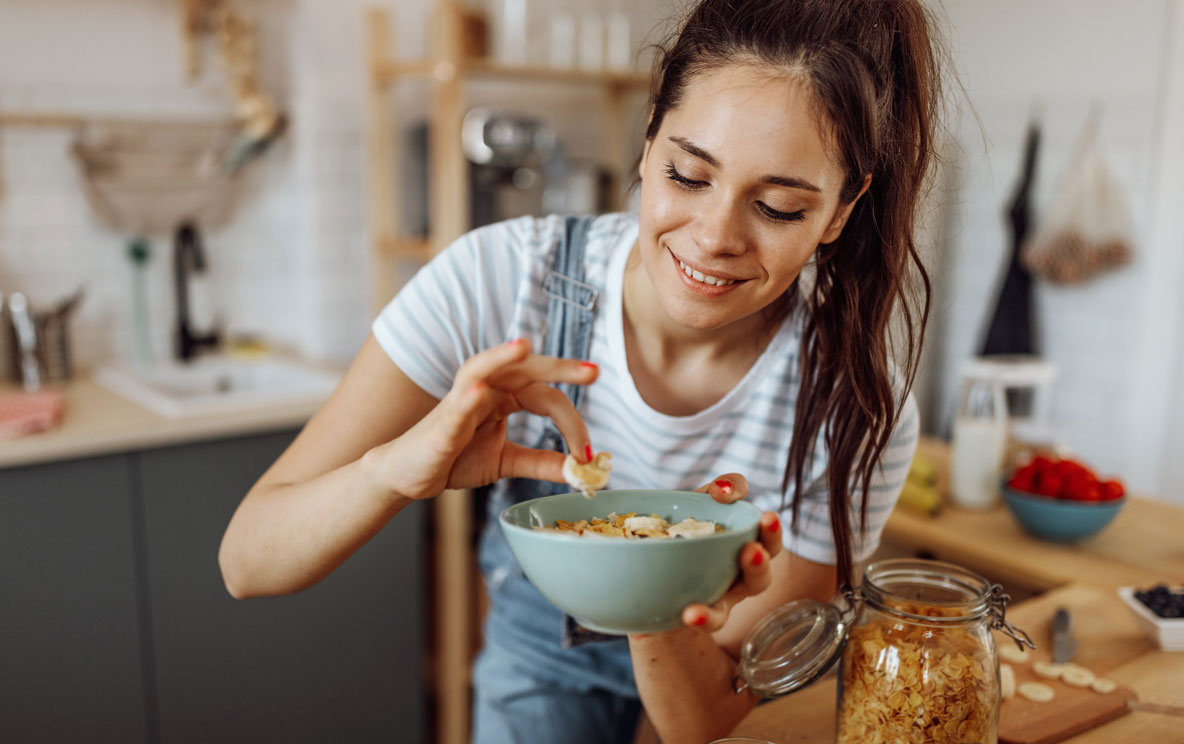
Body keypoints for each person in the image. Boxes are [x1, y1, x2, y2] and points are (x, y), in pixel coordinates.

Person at [218, 0, 943, 741]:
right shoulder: (500, 279)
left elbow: (708, 713)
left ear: (842, 211)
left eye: (778, 207)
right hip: (542, 662)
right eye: (688, 175)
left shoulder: (856, 404)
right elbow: (248, 560)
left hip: (697, 669)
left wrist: (651, 577)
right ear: (649, 136)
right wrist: (398, 471)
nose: (714, 237)